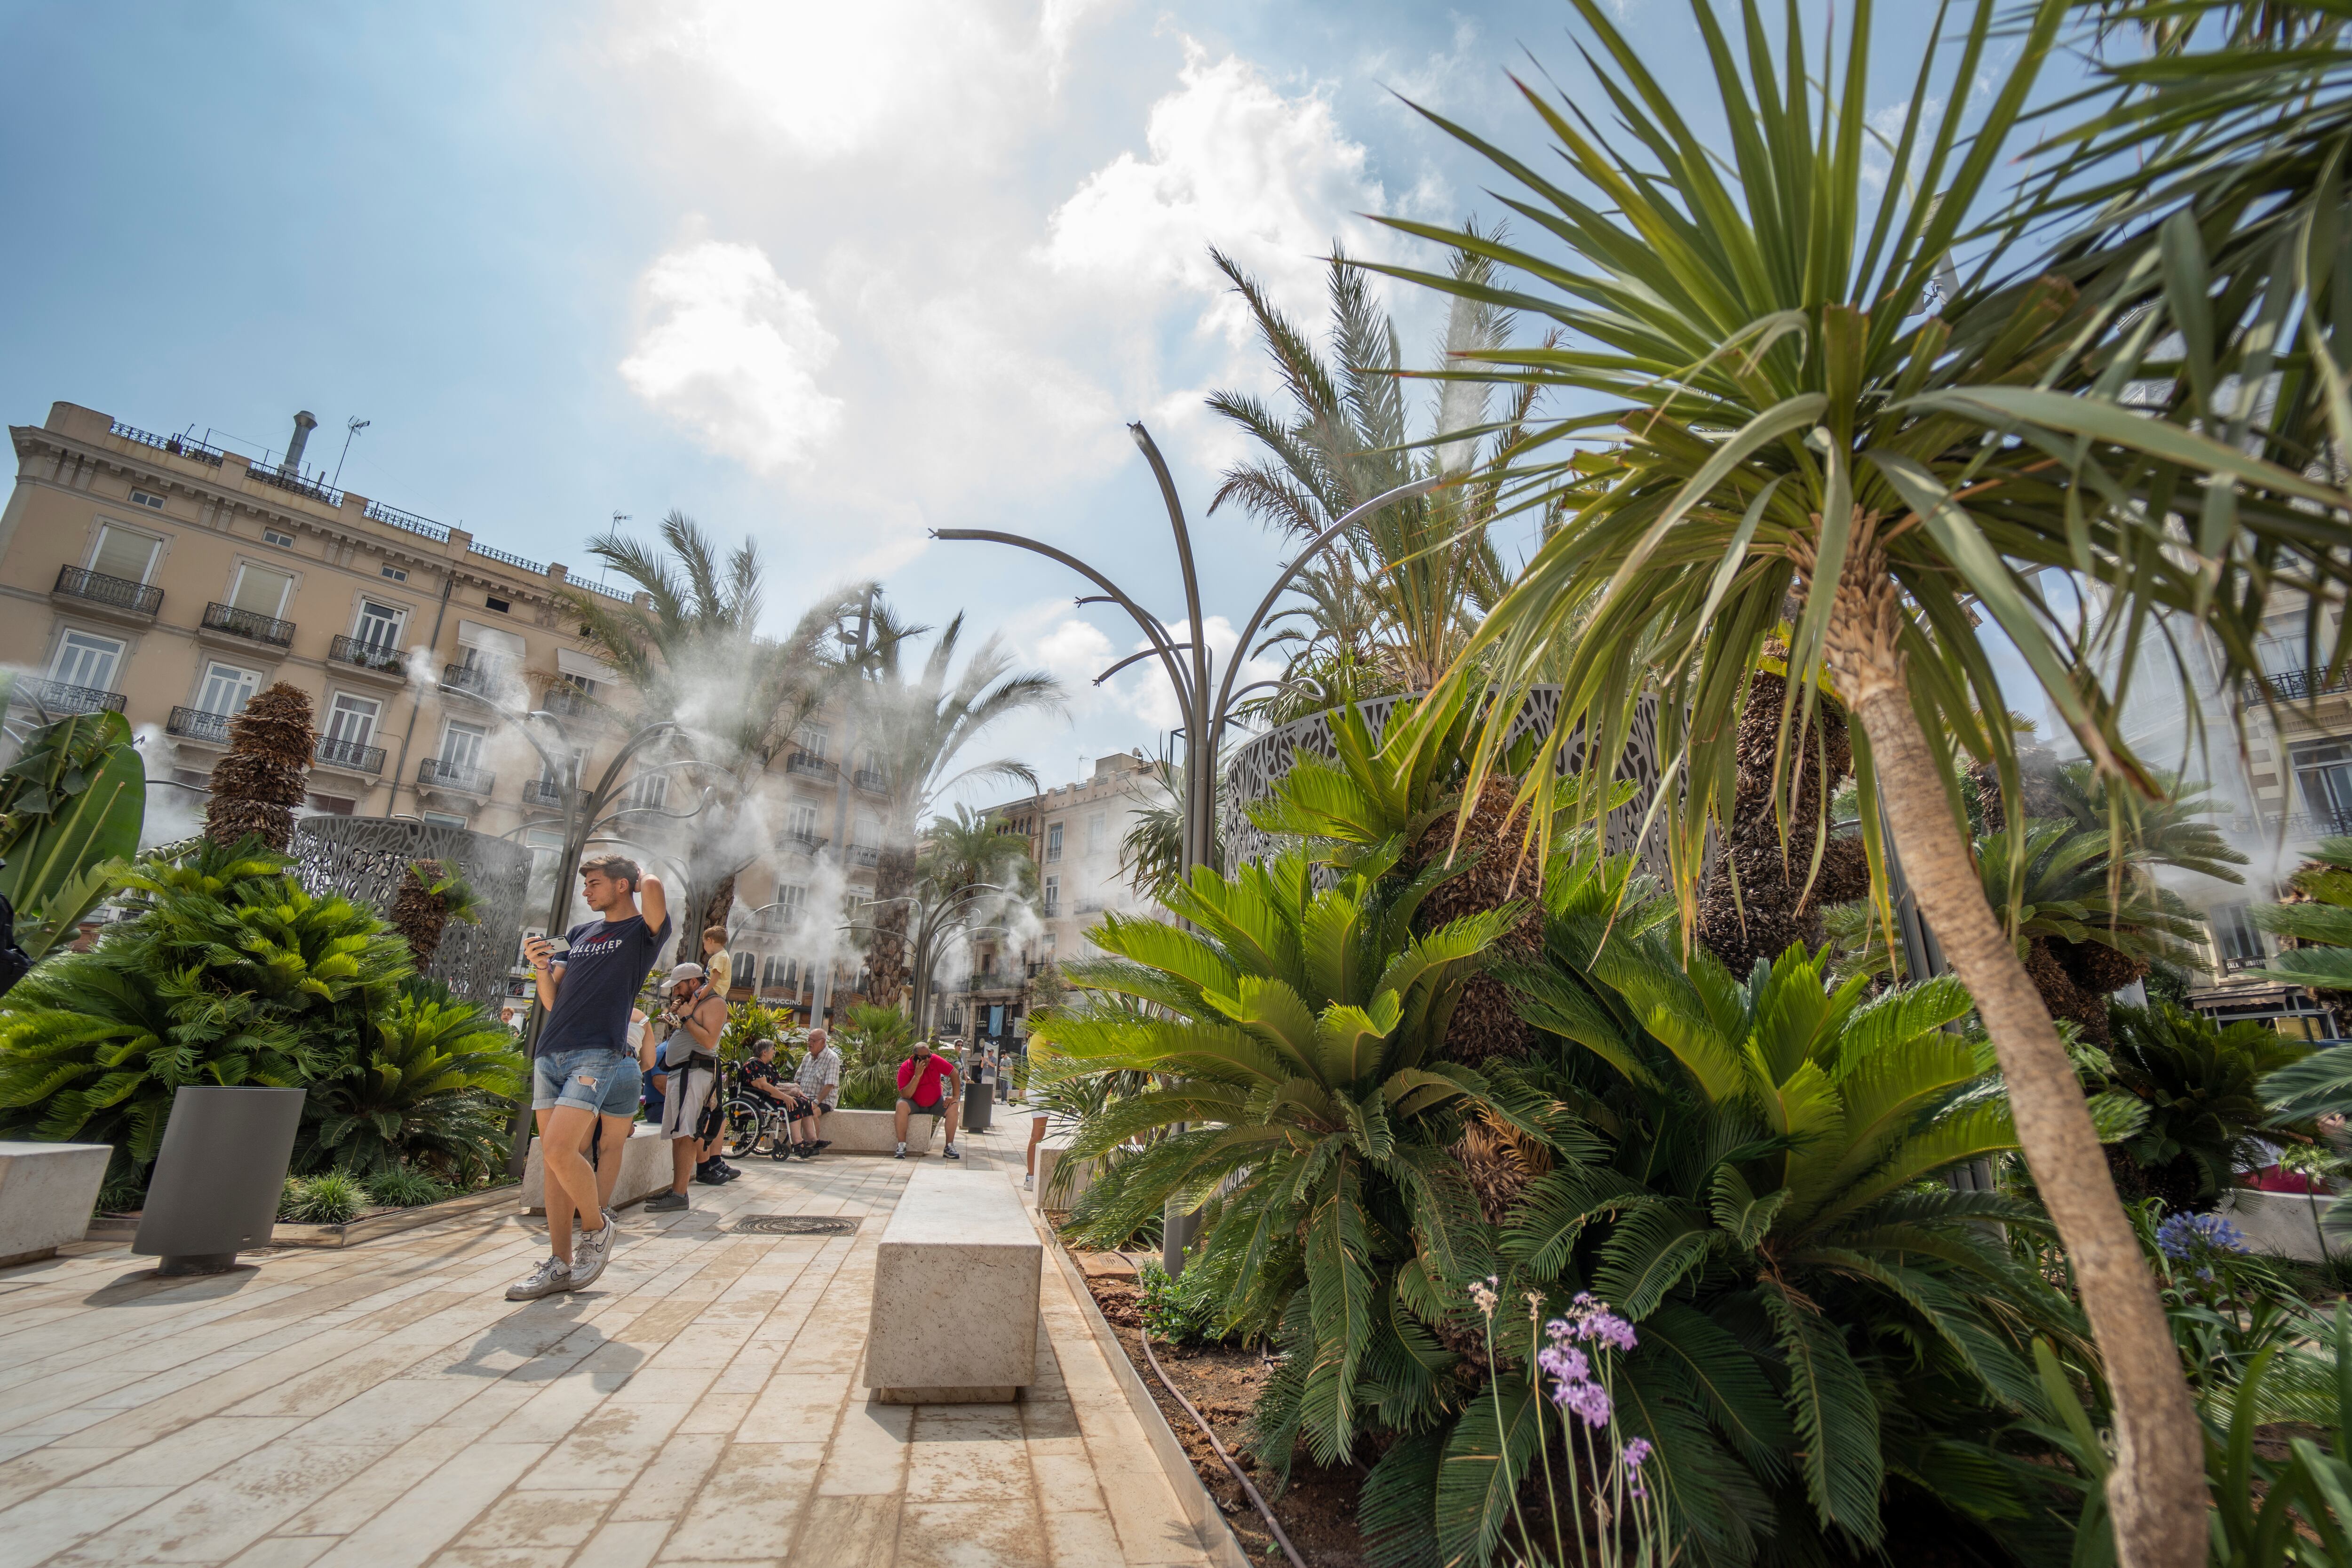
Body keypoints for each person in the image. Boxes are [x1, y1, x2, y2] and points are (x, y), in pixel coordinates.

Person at [506, 856, 671, 1301]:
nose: (586, 892)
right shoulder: (579, 935)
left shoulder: (641, 933)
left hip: (598, 1051)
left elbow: (654, 889)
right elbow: (552, 998)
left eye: (594, 883)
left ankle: (597, 1228)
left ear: (623, 885)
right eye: (584, 886)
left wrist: (640, 873)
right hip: (551, 1050)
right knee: (555, 1162)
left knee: (561, 1148)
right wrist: (541, 966)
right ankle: (558, 1263)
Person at [646, 962, 728, 1210]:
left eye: (679, 987)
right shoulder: (693, 1004)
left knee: (686, 1134)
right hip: (681, 1074)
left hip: (694, 1074)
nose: (675, 992)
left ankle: (680, 1194)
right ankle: (677, 1190)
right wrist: (680, 1016)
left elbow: (710, 1040)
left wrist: (686, 1017)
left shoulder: (714, 1003)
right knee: (678, 1135)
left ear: (694, 983)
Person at [894, 1039, 961, 1161]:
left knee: (954, 1107)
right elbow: (906, 1095)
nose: (928, 1060)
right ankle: (901, 1146)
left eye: (929, 1056)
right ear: (915, 1058)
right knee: (901, 1105)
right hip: (913, 1103)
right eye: (924, 1058)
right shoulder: (905, 1068)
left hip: (935, 1103)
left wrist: (955, 1097)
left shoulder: (934, 1060)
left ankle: (949, 1147)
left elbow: (954, 1073)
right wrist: (917, 1076)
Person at [788, 1027, 842, 1159]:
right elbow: (798, 1080)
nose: (809, 1043)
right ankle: (801, 1144)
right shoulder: (808, 1057)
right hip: (804, 1098)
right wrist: (799, 1094)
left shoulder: (832, 1058)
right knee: (795, 1108)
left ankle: (813, 1145)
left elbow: (829, 1085)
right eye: (809, 1040)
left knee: (810, 1112)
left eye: (813, 1041)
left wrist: (816, 1102)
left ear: (823, 1042)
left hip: (824, 1100)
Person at [701, 925, 732, 997]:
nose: (704, 946)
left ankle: (691, 1007)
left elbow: (716, 975)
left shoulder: (720, 957)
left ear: (709, 940)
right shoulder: (721, 955)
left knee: (695, 995)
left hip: (715, 988)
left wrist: (707, 989)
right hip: (713, 986)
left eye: (704, 943)